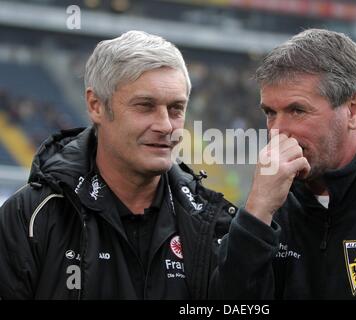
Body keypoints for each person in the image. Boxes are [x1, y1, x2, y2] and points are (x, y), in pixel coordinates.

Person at [211, 29, 356, 299]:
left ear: (353, 110)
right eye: (270, 113)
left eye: (297, 111)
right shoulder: (267, 210)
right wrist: (255, 214)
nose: (277, 131)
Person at [0, 31, 236, 299]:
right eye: (145, 106)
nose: (165, 126)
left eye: (175, 109)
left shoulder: (214, 225)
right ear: (96, 105)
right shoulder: (31, 217)